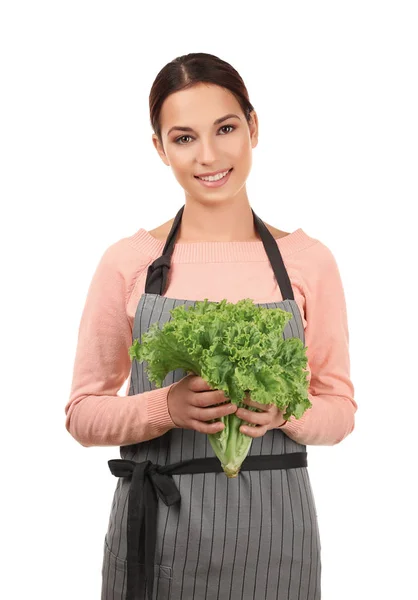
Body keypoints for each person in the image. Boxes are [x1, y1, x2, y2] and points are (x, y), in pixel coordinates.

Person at [65, 52, 357, 600]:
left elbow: (340, 412)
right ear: (159, 148)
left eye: (225, 128)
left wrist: (288, 410)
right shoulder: (128, 262)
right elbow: (82, 415)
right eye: (183, 138)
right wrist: (164, 408)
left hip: (278, 539)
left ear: (252, 126)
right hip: (158, 533)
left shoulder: (308, 261)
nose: (209, 155)